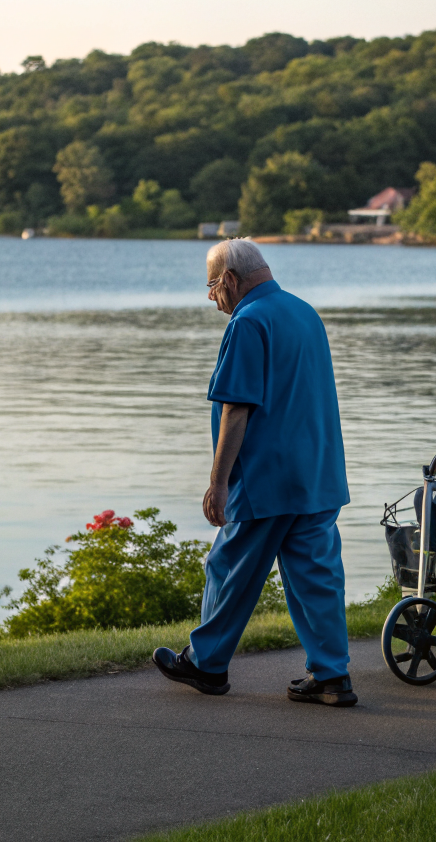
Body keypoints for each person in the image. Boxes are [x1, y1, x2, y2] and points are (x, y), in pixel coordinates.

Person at [152, 239, 356, 706]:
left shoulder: (248, 322)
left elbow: (236, 409)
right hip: (318, 472)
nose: (212, 297)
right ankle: (332, 676)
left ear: (229, 279)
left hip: (267, 476)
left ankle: (206, 663)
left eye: (211, 286)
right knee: (316, 577)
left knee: (228, 566)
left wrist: (218, 482)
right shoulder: (304, 312)